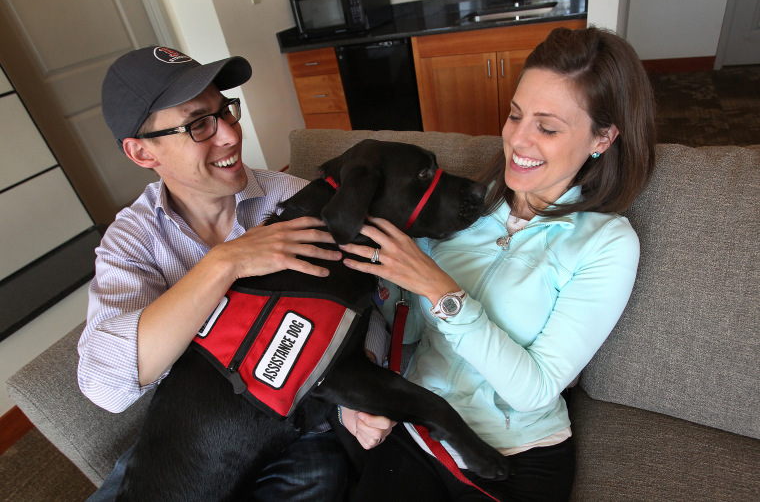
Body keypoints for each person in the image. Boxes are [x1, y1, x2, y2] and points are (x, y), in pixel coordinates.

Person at [337, 26, 657, 501]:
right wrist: (356, 394)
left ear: (603, 138)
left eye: (547, 128)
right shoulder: (461, 206)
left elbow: (535, 390)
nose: (518, 141)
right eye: (514, 115)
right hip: (420, 429)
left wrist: (443, 292)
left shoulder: (606, 243)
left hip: (517, 455)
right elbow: (399, 326)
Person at [77, 46, 388, 501]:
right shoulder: (133, 240)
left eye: (225, 110)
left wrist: (357, 398)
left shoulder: (296, 202)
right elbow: (105, 386)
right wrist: (226, 262)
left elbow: (367, 303)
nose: (229, 134)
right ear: (142, 152)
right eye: (198, 123)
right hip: (194, 438)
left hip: (299, 425)